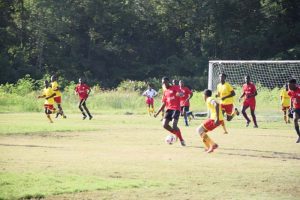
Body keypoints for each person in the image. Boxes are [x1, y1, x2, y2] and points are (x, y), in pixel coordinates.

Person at [154, 77, 186, 146]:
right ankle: (176, 134)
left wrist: (180, 94)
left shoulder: (175, 87)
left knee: (174, 125)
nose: (164, 83)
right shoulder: (165, 91)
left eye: (165, 82)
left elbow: (181, 93)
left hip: (176, 109)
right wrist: (157, 113)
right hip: (169, 109)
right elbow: (164, 103)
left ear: (168, 82)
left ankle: (181, 140)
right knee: (164, 125)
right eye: (163, 82)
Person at [196, 89, 223, 153]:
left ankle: (213, 145)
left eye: (203, 95)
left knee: (199, 130)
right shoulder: (209, 99)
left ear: (205, 95)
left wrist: (217, 118)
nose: (203, 97)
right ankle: (208, 147)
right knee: (202, 132)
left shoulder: (209, 99)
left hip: (214, 119)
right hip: (217, 119)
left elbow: (216, 104)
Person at [287, 78, 300, 143]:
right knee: (295, 119)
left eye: (290, 85)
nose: (289, 87)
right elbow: (291, 98)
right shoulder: (290, 91)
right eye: (288, 85)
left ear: (294, 84)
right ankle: (299, 136)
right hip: (296, 108)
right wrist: (291, 106)